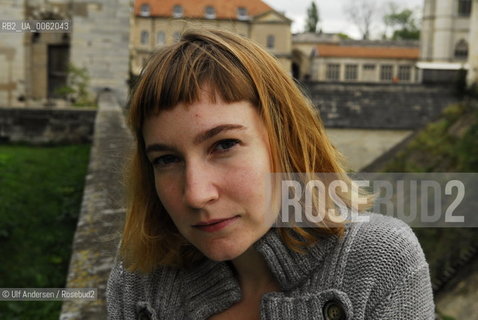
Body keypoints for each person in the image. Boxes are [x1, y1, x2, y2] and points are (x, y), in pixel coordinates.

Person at [106, 28, 434, 320]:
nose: (196, 194)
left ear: (284, 141)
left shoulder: (379, 260)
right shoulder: (140, 274)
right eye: (166, 160)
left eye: (224, 145)